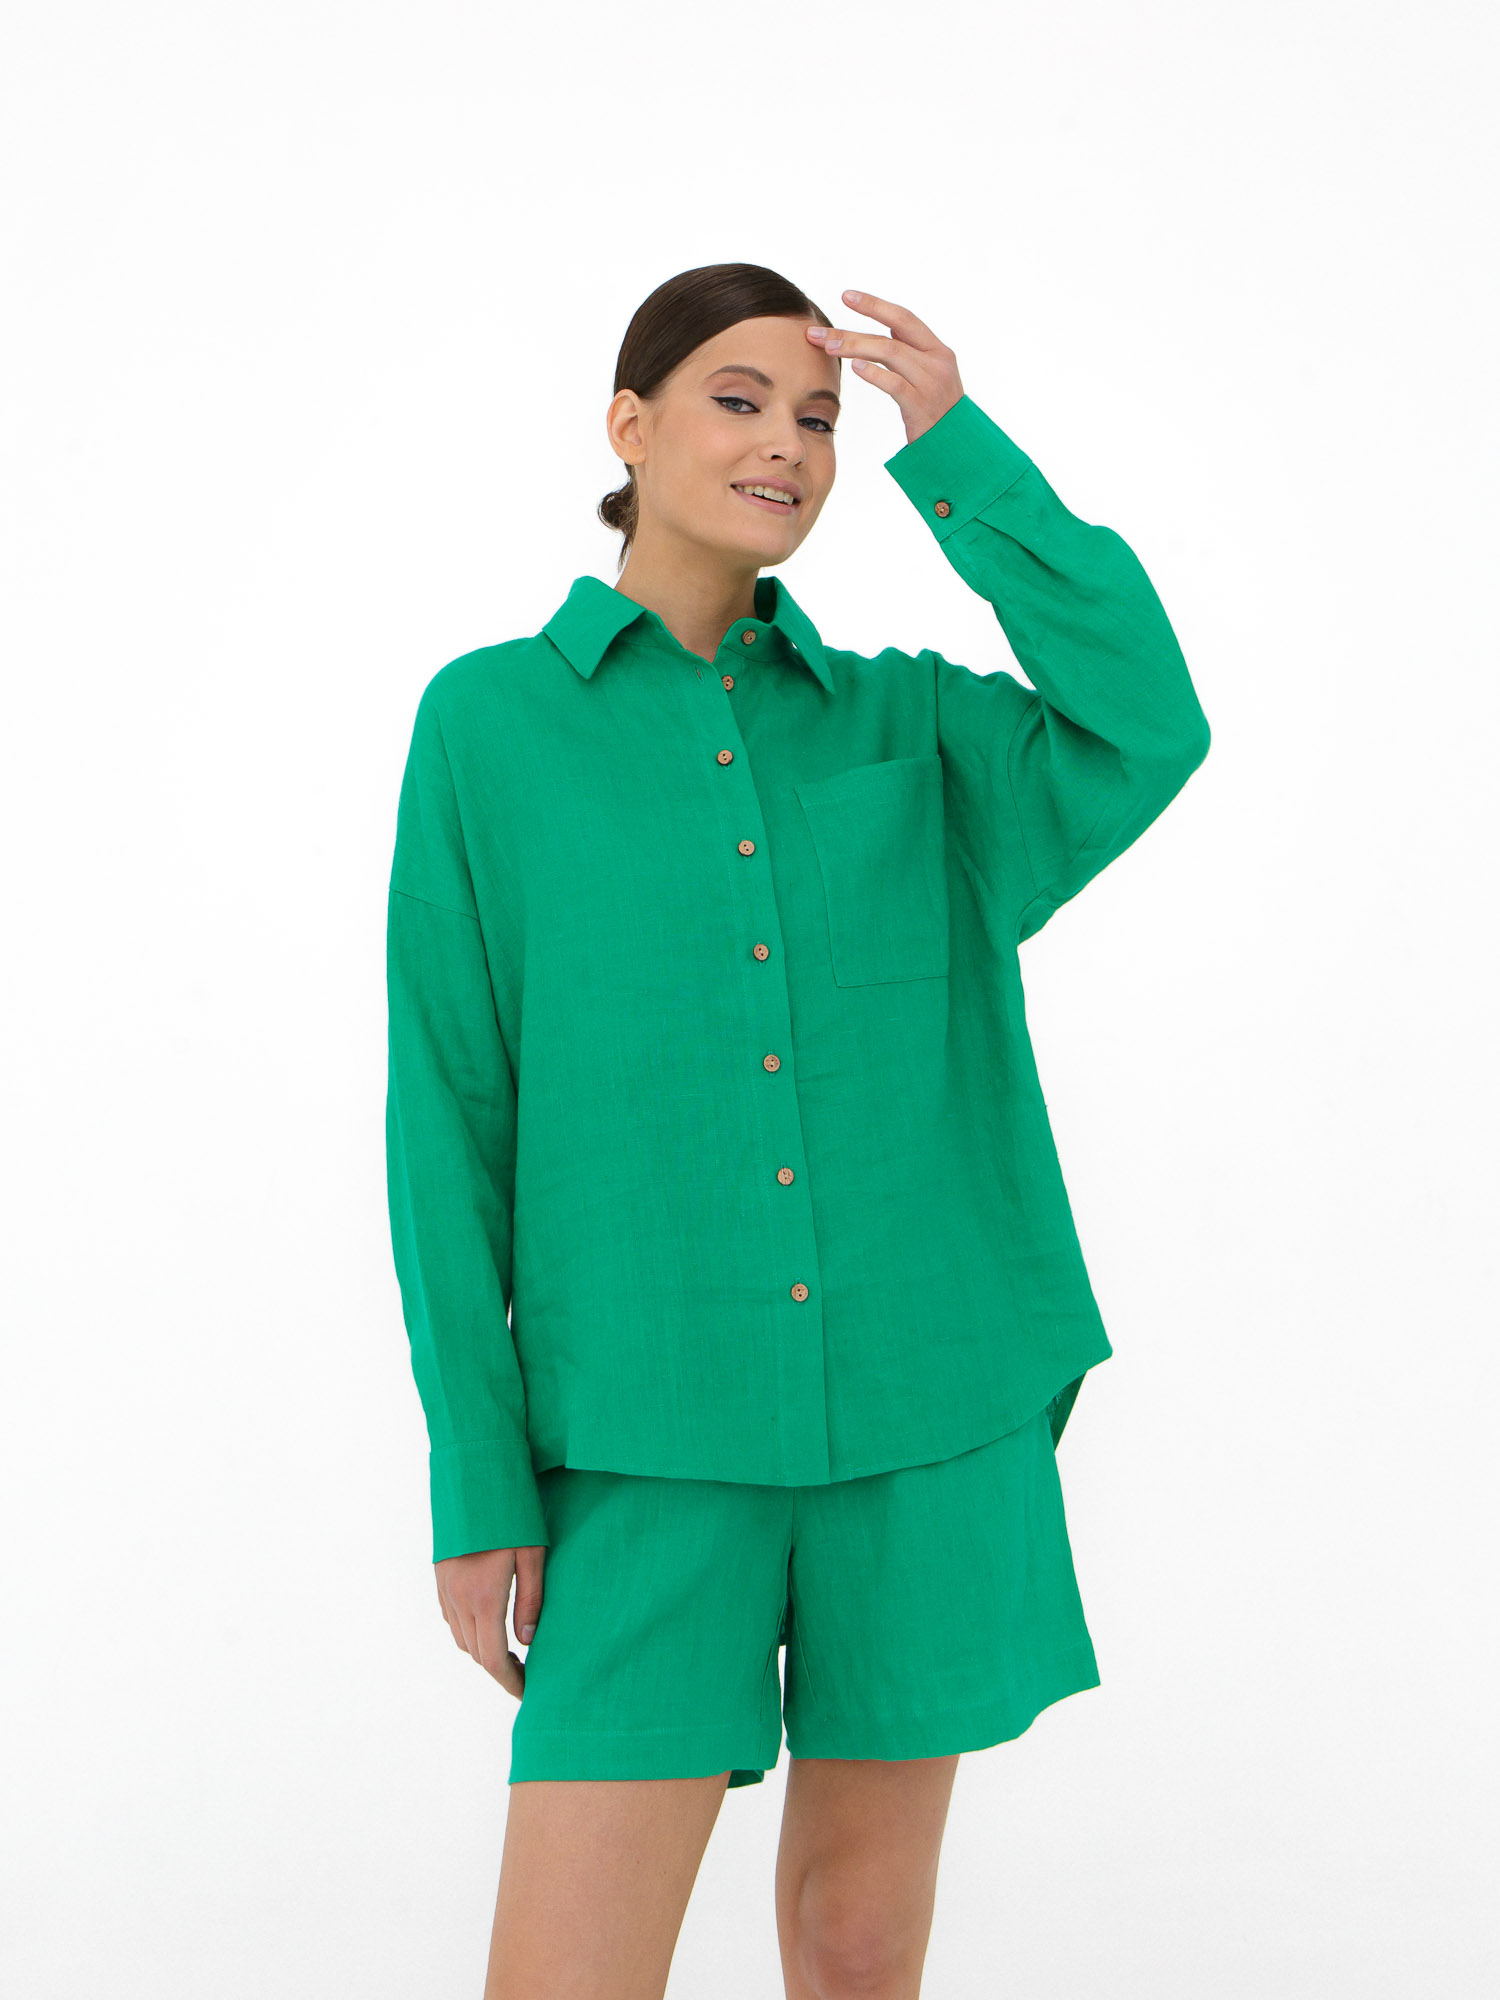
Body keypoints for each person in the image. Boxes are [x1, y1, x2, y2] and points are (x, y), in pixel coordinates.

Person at [384, 261, 1210, 1999]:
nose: (789, 444)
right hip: (643, 1440)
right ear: (629, 426)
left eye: (820, 417)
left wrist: (956, 450)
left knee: (856, 1944)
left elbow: (1149, 718)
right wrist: (478, 1476)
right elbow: (447, 1118)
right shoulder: (487, 729)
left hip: (925, 1416)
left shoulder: (916, 729)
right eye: (740, 401)